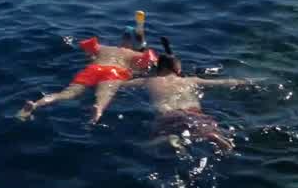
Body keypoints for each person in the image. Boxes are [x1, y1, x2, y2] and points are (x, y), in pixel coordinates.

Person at [99, 37, 250, 151]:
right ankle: (212, 135)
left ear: (158, 70)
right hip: (195, 114)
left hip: (168, 115)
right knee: (204, 131)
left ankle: (168, 138)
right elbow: (225, 83)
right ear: (178, 70)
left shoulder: (149, 81)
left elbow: (117, 85)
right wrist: (246, 81)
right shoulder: (191, 80)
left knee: (147, 145)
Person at [18, 28, 158, 121]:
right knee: (105, 95)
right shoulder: (136, 54)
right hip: (114, 72)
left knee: (67, 94)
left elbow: (90, 54)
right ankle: (98, 110)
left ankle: (35, 105)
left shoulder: (104, 47)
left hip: (93, 69)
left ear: (123, 39)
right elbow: (149, 66)